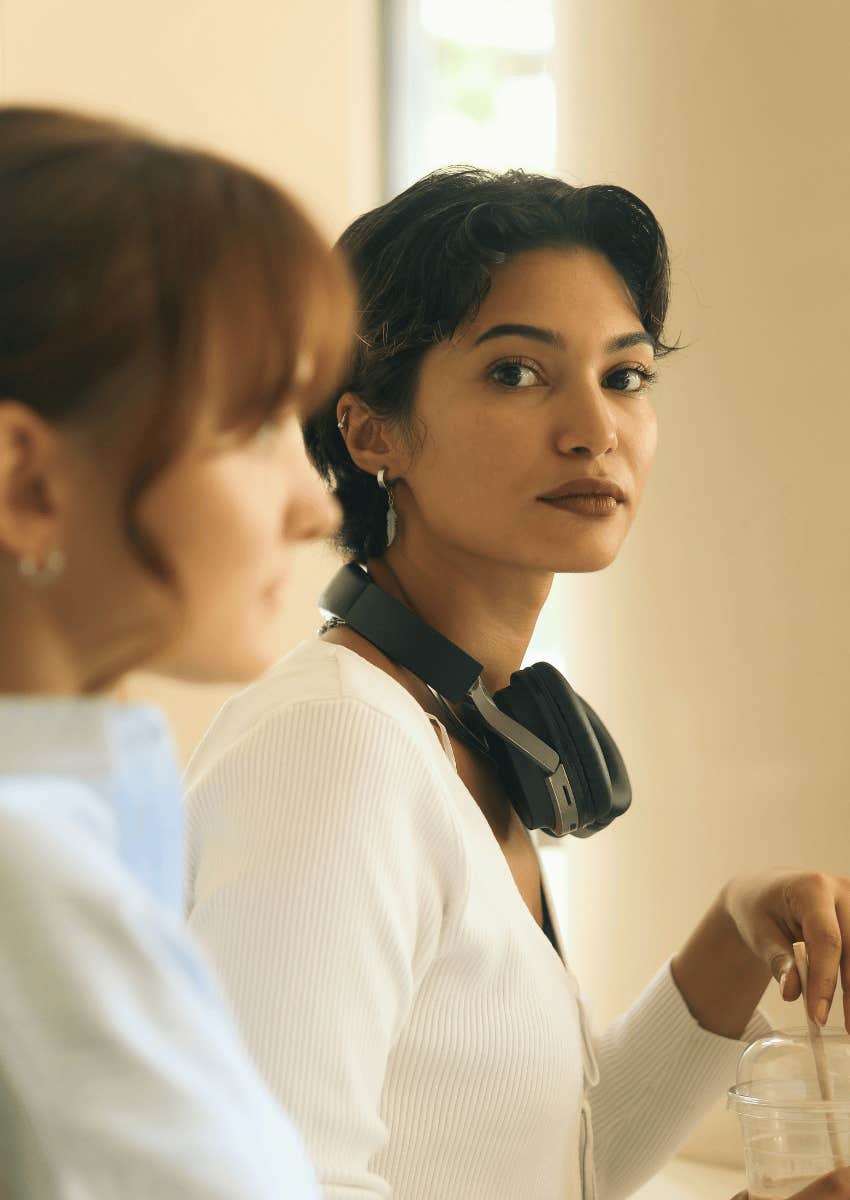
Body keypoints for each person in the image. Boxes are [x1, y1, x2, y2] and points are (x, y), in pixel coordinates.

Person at [184, 167, 850, 1200]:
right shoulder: (333, 747)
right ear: (371, 433)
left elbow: (555, 1161)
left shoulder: (452, 727)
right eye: (515, 374)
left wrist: (732, 936)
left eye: (624, 376)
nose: (595, 427)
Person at [0, 104, 352, 1199]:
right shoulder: (23, 871)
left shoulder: (83, 816)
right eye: (253, 428)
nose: (315, 508)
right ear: (27, 481)